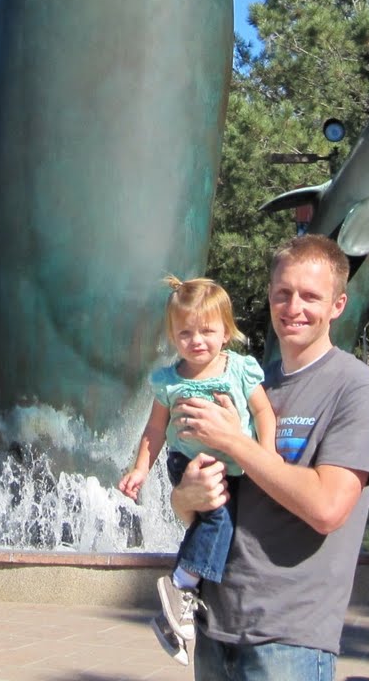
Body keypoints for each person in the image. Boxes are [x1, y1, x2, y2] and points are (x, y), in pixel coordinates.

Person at [170, 234, 369, 680]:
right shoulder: (248, 382)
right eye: (283, 293)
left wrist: (236, 442)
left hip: (289, 638)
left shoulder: (358, 389)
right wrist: (185, 496)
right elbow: (195, 509)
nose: (294, 307)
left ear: (338, 305)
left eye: (311, 296)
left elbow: (327, 508)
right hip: (215, 626)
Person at [117, 277, 276, 664]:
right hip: (189, 461)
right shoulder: (170, 382)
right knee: (217, 519)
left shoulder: (239, 369)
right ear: (173, 336)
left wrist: (268, 454)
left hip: (235, 463)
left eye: (207, 331)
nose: (197, 340)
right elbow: (155, 429)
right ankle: (181, 585)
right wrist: (140, 469)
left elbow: (263, 412)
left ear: (226, 331)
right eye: (185, 333)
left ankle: (175, 613)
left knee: (220, 528)